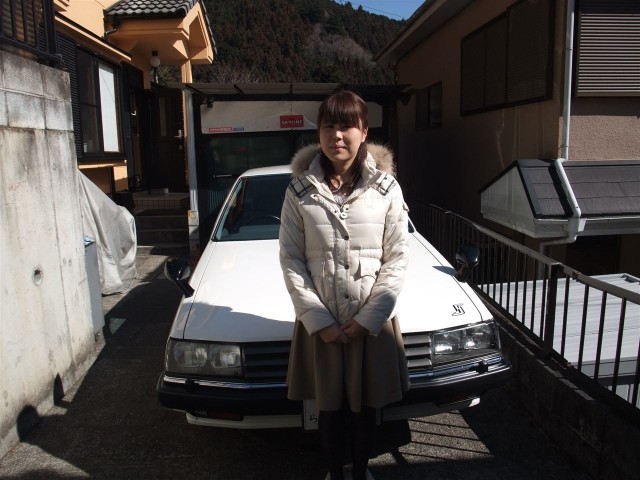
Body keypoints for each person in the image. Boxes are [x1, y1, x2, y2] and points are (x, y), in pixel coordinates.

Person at [279, 90, 410, 480]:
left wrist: (369, 317)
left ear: (364, 130)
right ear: (318, 132)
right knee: (329, 409)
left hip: (370, 323)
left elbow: (397, 258)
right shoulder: (299, 191)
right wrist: (319, 319)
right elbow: (291, 259)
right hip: (322, 324)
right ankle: (335, 471)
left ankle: (360, 471)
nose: (337, 135)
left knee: (366, 409)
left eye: (347, 125)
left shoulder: (386, 190)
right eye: (328, 126)